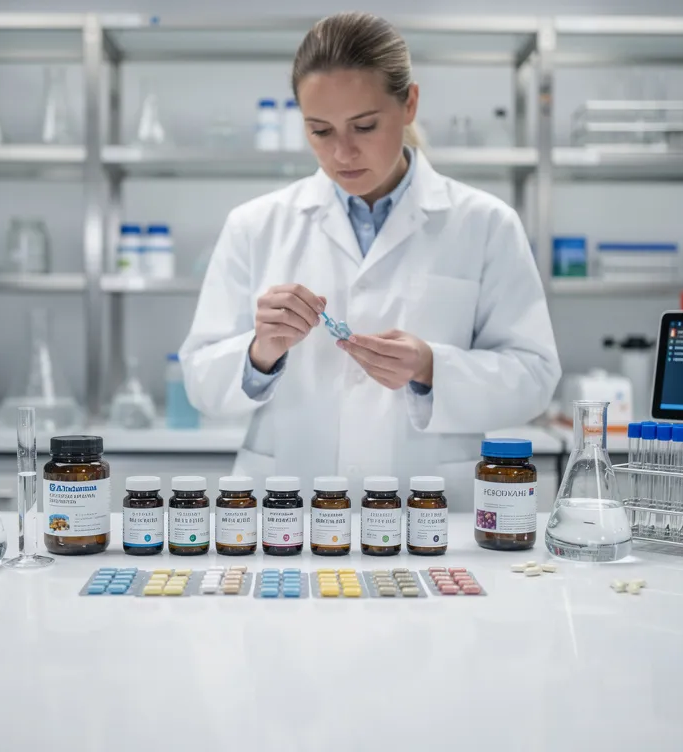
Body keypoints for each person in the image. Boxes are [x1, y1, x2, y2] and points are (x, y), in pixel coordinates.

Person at [180, 11, 560, 501]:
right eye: (320, 131)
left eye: (363, 126)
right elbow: (201, 383)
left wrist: (430, 368)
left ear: (409, 105)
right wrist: (260, 352)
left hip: (430, 511)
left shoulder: (485, 223)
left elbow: (534, 378)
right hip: (288, 505)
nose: (342, 153)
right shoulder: (256, 225)